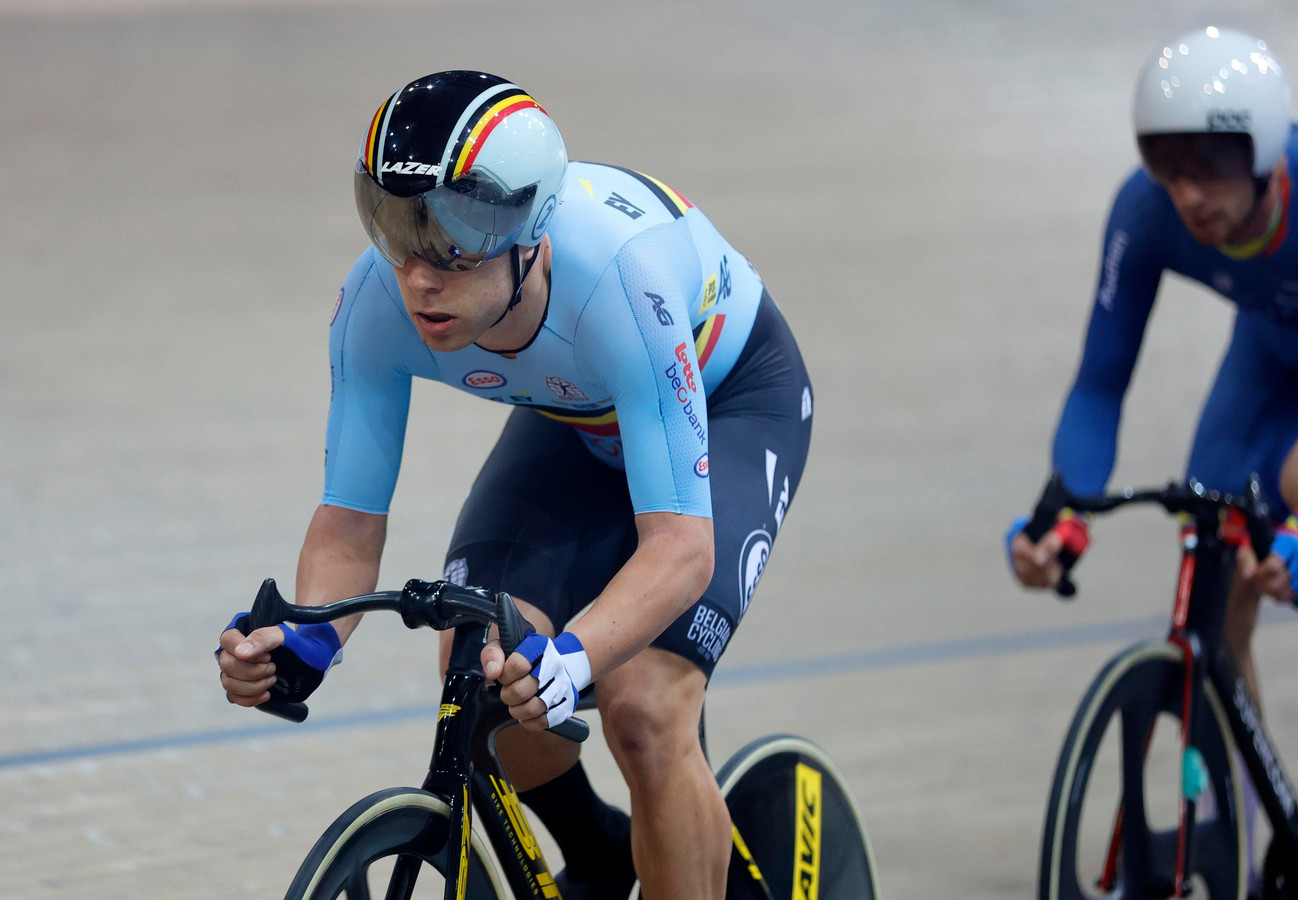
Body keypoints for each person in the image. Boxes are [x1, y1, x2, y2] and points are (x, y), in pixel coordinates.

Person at [216, 70, 814, 899]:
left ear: (531, 239)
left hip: (729, 401)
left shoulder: (621, 285)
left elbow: (681, 550)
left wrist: (576, 656)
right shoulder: (374, 303)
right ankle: (599, 852)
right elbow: (349, 525)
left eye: (454, 244)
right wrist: (306, 637)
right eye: (397, 228)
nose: (420, 277)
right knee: (480, 669)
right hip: (581, 416)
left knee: (643, 705)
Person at [1007, 26, 1298, 886]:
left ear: (1266, 152)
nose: (1188, 192)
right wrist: (1065, 511)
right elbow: (1100, 384)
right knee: (1215, 546)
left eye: (1211, 164)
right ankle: (1243, 837)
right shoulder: (1146, 212)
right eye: (1167, 163)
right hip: (1269, 359)